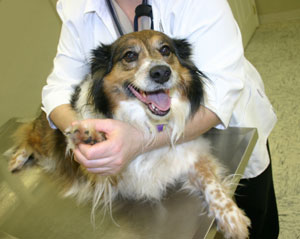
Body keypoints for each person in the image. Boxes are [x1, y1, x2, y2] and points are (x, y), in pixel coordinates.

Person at [42, 0, 279, 238]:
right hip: (131, 134)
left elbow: (221, 93)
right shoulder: (76, 5)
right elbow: (58, 88)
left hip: (226, 124)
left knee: (255, 215)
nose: (159, 67)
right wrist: (82, 131)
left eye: (165, 51)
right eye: (129, 56)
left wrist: (140, 140)